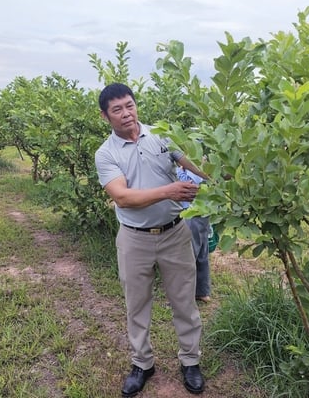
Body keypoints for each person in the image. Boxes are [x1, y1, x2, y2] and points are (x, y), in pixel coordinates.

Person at [94, 82, 208, 396]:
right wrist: (170, 191)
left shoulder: (161, 133)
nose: (126, 113)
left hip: (174, 232)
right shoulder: (106, 154)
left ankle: (190, 360)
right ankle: (142, 363)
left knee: (184, 301)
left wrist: (227, 180)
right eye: (117, 109)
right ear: (106, 116)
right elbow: (123, 197)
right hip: (134, 240)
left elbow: (190, 163)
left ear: (135, 105)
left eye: (129, 105)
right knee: (137, 305)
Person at [178, 166, 211, 303]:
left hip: (194, 211)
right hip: (200, 211)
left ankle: (185, 295)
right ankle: (202, 292)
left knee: (189, 254)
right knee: (201, 252)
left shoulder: (194, 161)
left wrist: (177, 171)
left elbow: (192, 185)